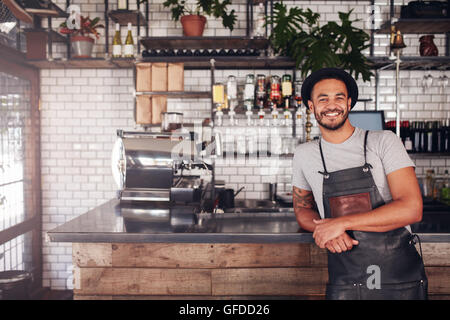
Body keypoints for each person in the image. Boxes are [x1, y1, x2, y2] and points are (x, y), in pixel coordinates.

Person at [292, 67, 428, 300]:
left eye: (339, 97)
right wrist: (325, 230)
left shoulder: (384, 141)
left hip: (399, 279)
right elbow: (303, 209)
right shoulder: (304, 154)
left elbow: (412, 209)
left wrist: (339, 223)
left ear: (350, 103)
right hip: (346, 281)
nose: (332, 105)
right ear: (311, 106)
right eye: (323, 99)